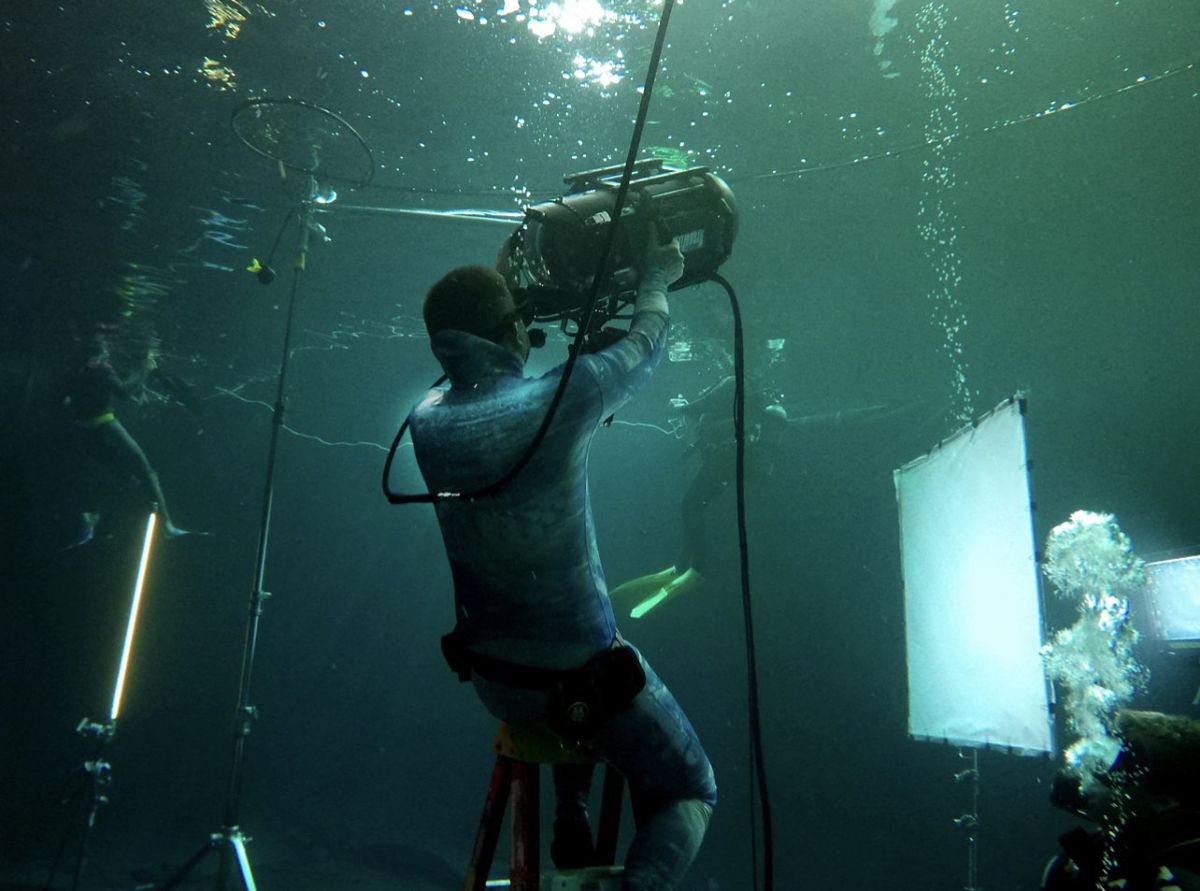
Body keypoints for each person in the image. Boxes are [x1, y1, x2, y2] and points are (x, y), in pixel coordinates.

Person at [407, 230, 716, 891]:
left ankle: (571, 806)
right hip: (580, 678)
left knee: (587, 687)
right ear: (511, 328)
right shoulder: (560, 399)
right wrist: (656, 275)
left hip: (497, 682)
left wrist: (509, 307)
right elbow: (645, 346)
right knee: (690, 785)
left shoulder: (425, 418)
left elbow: (496, 373)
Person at [609, 374, 789, 618]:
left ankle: (698, 568)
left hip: (724, 461)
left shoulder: (732, 381)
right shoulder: (746, 388)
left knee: (690, 506)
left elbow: (704, 403)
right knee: (695, 505)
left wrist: (680, 406)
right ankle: (684, 564)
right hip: (726, 461)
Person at [60, 332, 187, 542]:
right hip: (106, 425)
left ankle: (91, 518)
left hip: (83, 432)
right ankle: (167, 525)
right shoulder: (102, 368)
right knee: (145, 470)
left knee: (114, 474)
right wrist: (146, 368)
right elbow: (124, 392)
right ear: (102, 349)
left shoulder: (74, 369)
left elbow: (62, 398)